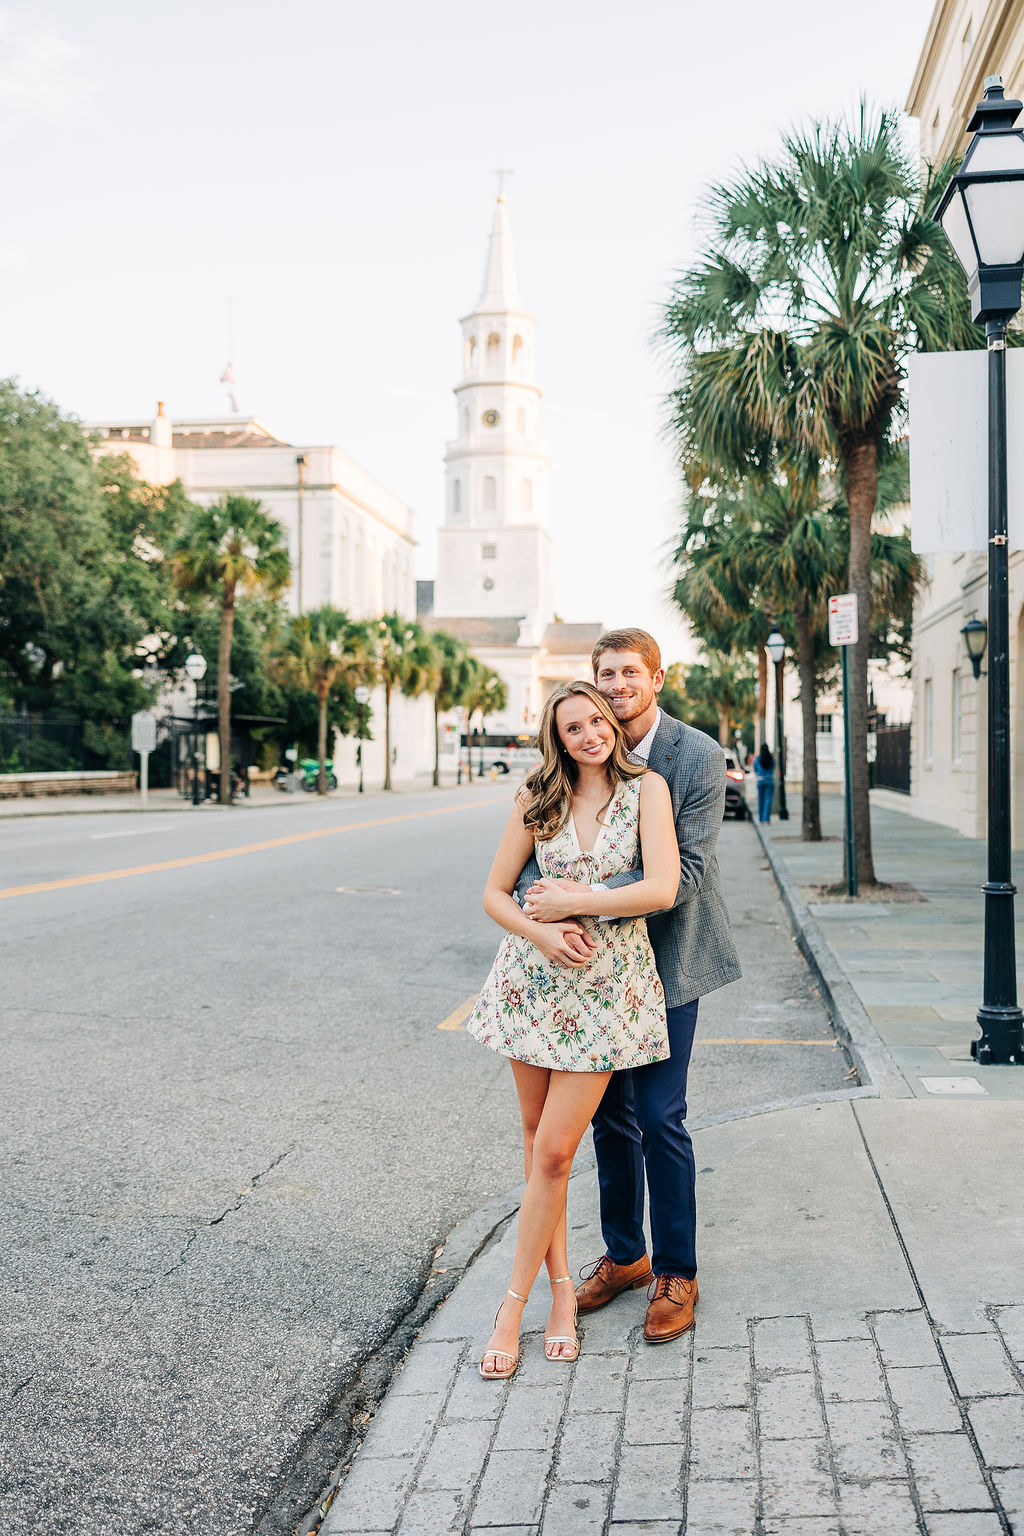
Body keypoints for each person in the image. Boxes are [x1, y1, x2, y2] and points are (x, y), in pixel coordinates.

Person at [520, 628, 740, 1344]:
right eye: (605, 674)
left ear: (656, 677)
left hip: (668, 967)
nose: (616, 686)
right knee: (606, 1120)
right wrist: (544, 912)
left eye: (628, 673)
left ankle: (678, 1270)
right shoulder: (586, 754)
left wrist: (576, 900)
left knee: (658, 1116)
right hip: (591, 974)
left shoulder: (694, 757)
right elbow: (537, 853)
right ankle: (625, 1256)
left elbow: (689, 878)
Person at [467, 681, 680, 1378]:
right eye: (573, 727)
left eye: (597, 721)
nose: (590, 734)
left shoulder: (647, 790)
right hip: (532, 982)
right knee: (536, 1149)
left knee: (556, 1154)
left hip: (608, 990)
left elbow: (662, 889)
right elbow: (495, 894)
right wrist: (543, 933)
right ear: (556, 739)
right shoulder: (538, 796)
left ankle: (510, 1307)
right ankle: (560, 1297)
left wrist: (582, 902)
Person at [753, 743, 775, 824]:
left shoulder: (757, 759)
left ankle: (761, 819)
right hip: (769, 781)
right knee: (768, 800)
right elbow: (773, 767)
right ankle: (766, 819)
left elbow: (755, 769)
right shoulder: (772, 759)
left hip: (760, 780)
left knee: (760, 800)